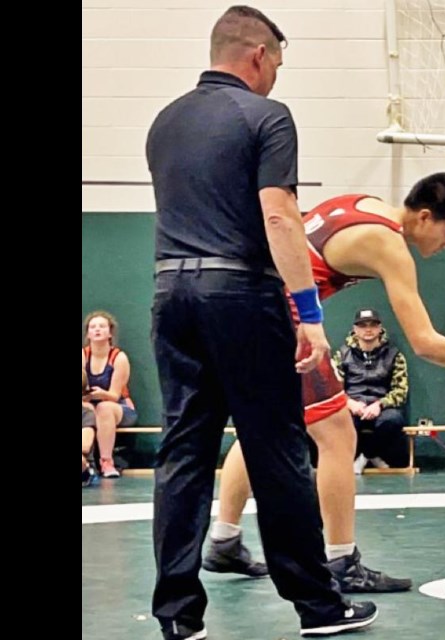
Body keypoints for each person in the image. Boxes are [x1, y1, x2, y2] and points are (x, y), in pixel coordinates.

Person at [145, 6, 375, 637]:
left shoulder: (165, 121)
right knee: (276, 451)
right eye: (277, 60)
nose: (276, 73)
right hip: (240, 294)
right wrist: (308, 314)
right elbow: (279, 217)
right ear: (256, 54)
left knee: (183, 452)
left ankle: (177, 617)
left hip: (170, 291)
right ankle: (319, 609)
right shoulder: (267, 116)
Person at [201, 173, 445, 590]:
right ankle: (342, 562)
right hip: (276, 319)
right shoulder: (389, 245)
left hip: (241, 308)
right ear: (425, 216)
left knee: (263, 429)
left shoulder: (364, 203)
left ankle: (225, 539)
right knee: (339, 434)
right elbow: (425, 342)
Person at [334, 308, 409, 471]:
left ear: (380, 328)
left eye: (372, 325)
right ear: (355, 329)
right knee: (340, 421)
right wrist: (350, 403)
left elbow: (400, 390)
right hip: (352, 406)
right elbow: (333, 389)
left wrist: (379, 404)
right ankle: (366, 457)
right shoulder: (342, 354)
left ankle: (366, 455)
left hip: (381, 408)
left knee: (393, 420)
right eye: (362, 325)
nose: (368, 329)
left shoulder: (394, 355)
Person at [81, 310, 138, 480]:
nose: (97, 330)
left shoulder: (119, 357)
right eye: (93, 327)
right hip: (91, 404)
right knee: (87, 409)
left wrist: (100, 394)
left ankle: (107, 462)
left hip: (118, 407)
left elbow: (114, 395)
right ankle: (87, 461)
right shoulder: (83, 355)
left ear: (110, 332)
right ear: (88, 333)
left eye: (102, 326)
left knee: (104, 408)